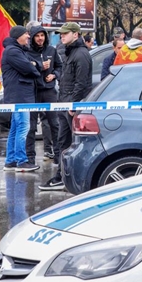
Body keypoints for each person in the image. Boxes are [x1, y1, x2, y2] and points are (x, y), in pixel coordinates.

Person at [42, 22, 92, 190]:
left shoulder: (81, 54)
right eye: (61, 34)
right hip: (64, 103)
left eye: (65, 33)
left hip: (71, 105)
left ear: (75, 34)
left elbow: (82, 83)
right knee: (63, 141)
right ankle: (61, 176)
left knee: (73, 143)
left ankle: (71, 178)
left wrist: (74, 104)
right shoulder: (70, 52)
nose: (61, 36)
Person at [1, 26, 41, 172]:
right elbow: (29, 69)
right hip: (20, 96)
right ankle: (21, 161)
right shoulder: (13, 51)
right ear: (18, 36)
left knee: (15, 129)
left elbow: (34, 64)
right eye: (26, 34)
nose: (29, 37)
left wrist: (34, 64)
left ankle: (10, 161)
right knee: (23, 127)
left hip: (19, 95)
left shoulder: (17, 50)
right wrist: (33, 66)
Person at [25, 25, 62, 162]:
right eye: (37, 36)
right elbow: (26, 69)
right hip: (33, 92)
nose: (40, 38)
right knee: (31, 126)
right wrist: (40, 66)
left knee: (55, 124)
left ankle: (57, 155)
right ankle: (30, 158)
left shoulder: (51, 50)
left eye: (42, 35)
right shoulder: (27, 52)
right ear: (32, 37)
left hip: (49, 91)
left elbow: (59, 66)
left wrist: (54, 75)